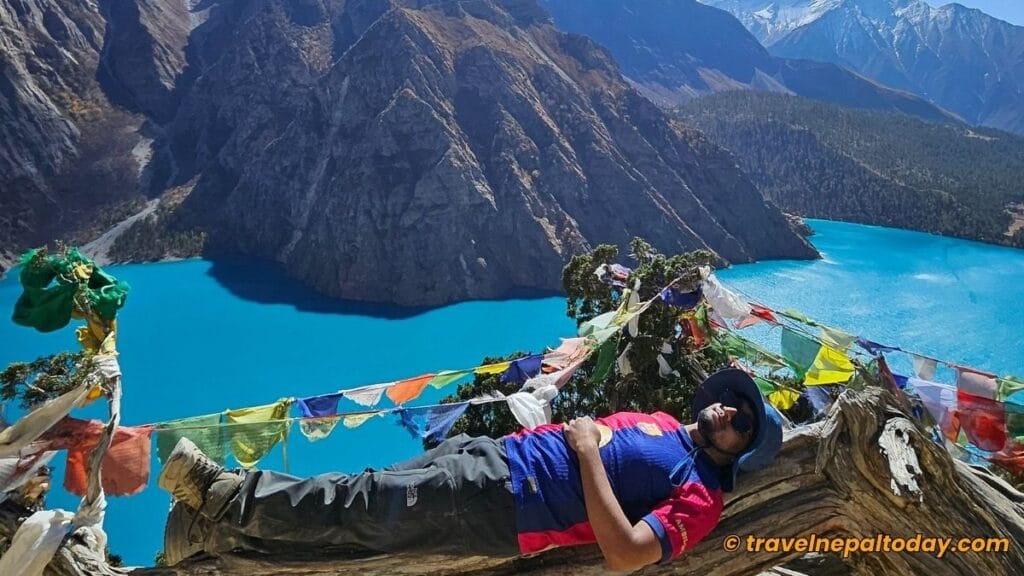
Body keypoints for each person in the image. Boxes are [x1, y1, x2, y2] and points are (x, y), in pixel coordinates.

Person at [158, 368, 783, 570]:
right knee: (364, 501)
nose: (728, 412)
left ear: (742, 451)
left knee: (364, 503)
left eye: (742, 423)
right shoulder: (666, 426)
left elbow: (626, 553)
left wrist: (589, 452)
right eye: (733, 402)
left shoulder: (700, 495)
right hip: (497, 459)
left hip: (510, 501)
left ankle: (222, 497)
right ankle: (213, 534)